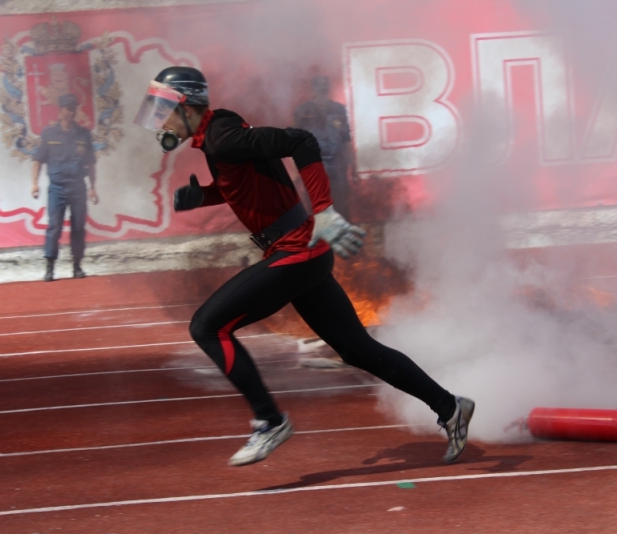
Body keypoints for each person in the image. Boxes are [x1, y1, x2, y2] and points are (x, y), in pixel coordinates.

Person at [134, 67, 474, 467]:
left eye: (165, 108)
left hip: (297, 250)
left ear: (187, 105)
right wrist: (204, 196)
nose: (161, 120)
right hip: (299, 252)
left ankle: (269, 421)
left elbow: (302, 140)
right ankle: (450, 407)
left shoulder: (222, 137)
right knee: (357, 349)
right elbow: (246, 182)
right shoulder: (218, 136)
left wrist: (325, 211)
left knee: (206, 327)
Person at [31, 93, 98, 281]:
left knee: (78, 227)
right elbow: (38, 160)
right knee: (54, 227)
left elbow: (90, 163)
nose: (71, 112)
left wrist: (93, 187)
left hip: (78, 188)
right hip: (57, 188)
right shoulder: (49, 134)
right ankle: (50, 267)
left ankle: (77, 266)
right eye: (68, 108)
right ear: (60, 110)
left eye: (73, 108)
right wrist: (34, 183)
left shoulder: (83, 134)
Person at [292, 75, 353, 219]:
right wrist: (296, 171)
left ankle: (342, 231)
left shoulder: (339, 110)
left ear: (328, 90)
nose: (322, 94)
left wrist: (353, 165)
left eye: (324, 91)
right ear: (313, 91)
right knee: (315, 203)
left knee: (340, 202)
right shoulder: (302, 111)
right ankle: (318, 231)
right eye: (319, 91)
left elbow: (346, 139)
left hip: (337, 162)